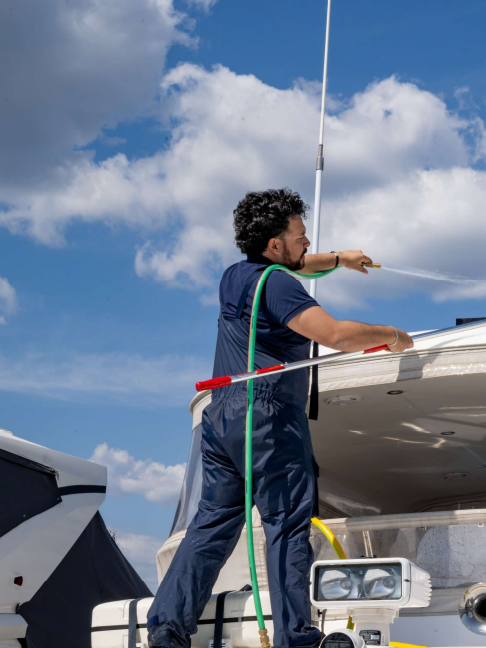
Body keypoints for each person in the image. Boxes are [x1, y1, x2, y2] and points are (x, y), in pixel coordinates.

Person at [147, 188, 413, 648]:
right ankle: (297, 637)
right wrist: (391, 335)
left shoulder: (237, 275)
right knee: (288, 524)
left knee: (211, 524)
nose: (307, 242)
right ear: (275, 244)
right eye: (300, 235)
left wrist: (340, 259)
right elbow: (333, 334)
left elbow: (294, 265)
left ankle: (167, 631)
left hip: (222, 417)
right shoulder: (279, 285)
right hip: (266, 416)